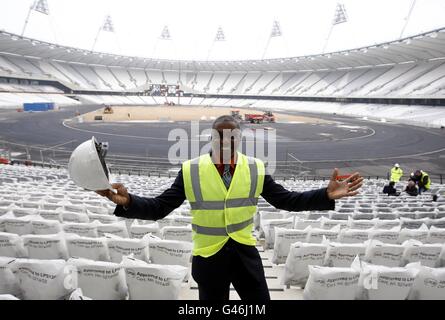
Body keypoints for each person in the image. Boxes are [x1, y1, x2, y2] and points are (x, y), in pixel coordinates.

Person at [97, 115, 364, 301]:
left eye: (232, 136)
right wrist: (128, 202)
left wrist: (325, 195)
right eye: (219, 136)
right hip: (208, 257)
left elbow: (287, 200)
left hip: (245, 254)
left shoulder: (256, 168)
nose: (226, 141)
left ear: (240, 138)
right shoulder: (190, 170)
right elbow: (159, 207)